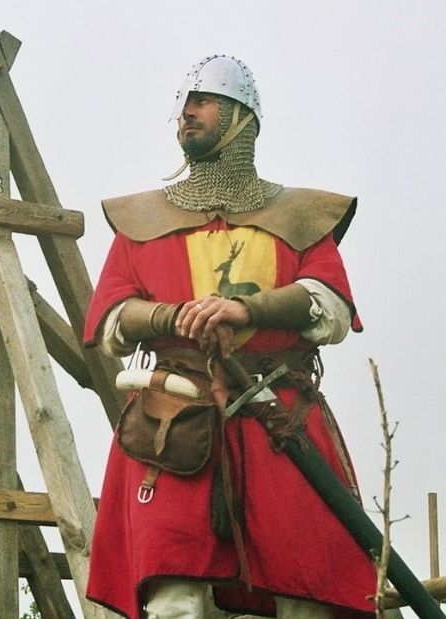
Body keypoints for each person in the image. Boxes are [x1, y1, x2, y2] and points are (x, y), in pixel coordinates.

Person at [83, 55, 376, 619]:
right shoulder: (143, 221)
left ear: (241, 118)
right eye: (183, 105)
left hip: (279, 419)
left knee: (307, 592)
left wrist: (248, 309)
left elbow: (332, 307)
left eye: (203, 101)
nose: (186, 113)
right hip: (175, 420)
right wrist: (171, 317)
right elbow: (112, 320)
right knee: (174, 598)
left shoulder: (300, 217)